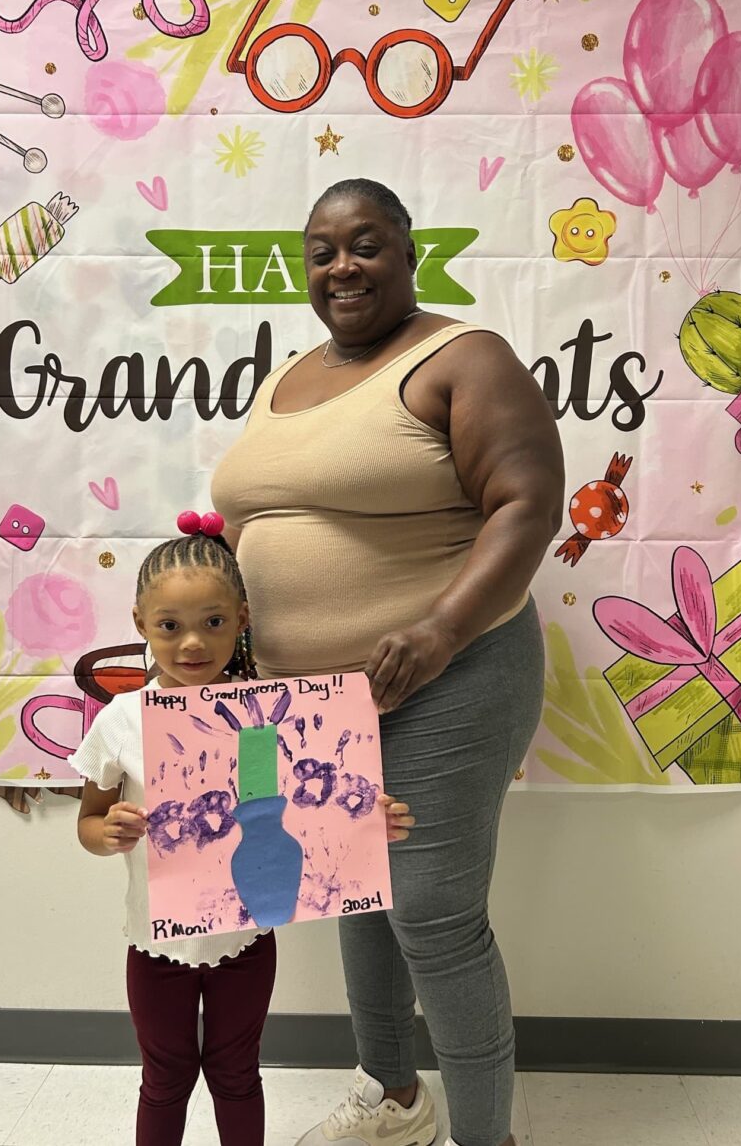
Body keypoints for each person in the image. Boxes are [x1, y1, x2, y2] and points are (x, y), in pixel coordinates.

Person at [211, 179, 565, 1146]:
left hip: (452, 675)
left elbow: (527, 505)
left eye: (365, 245)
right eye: (321, 251)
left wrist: (441, 629)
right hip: (313, 702)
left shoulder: (463, 357)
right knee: (354, 899)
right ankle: (393, 1098)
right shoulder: (288, 377)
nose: (341, 267)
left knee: (433, 914)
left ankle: (481, 1135)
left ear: (410, 253)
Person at [69, 512, 414, 1146]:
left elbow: (309, 808)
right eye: (170, 627)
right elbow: (88, 822)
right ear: (141, 624)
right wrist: (108, 831)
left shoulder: (267, 719)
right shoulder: (124, 719)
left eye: (213, 623)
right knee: (165, 1077)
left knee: (236, 1073)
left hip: (245, 940)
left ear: (243, 620)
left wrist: (371, 821)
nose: (192, 644)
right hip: (155, 943)